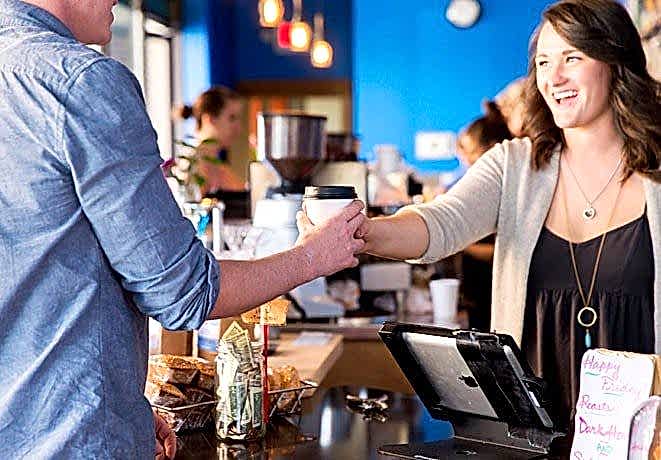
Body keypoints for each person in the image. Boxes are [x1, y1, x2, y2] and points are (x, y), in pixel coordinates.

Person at [0, 0, 365, 458]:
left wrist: (122, 405)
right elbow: (184, 291)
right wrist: (314, 255)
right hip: (72, 440)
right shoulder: (80, 82)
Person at [302, 0, 661, 430]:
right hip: (529, 433)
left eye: (572, 57)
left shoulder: (656, 178)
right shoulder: (514, 168)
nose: (553, 77)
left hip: (642, 436)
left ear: (615, 62)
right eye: (543, 62)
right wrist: (361, 232)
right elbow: (440, 223)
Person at [455, 101, 513, 331]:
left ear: (492, 148)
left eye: (472, 152)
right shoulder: (485, 190)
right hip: (477, 299)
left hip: (495, 302)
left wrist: (461, 245)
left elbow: (501, 252)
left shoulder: (507, 192)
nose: (468, 160)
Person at [174, 86, 247, 194]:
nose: (239, 128)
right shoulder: (192, 164)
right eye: (232, 118)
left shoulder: (215, 163)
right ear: (210, 119)